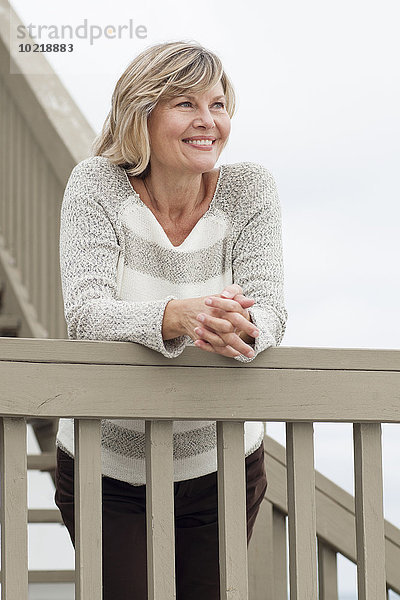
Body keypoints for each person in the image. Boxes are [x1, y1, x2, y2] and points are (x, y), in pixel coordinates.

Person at [54, 40, 288, 599]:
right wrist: (176, 317)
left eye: (218, 104)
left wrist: (240, 327)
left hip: (222, 462)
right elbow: (86, 314)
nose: (208, 122)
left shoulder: (249, 188)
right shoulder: (96, 185)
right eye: (185, 105)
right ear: (142, 114)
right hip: (105, 465)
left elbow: (272, 310)